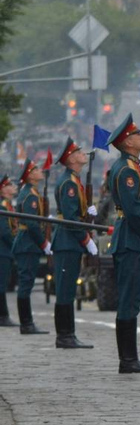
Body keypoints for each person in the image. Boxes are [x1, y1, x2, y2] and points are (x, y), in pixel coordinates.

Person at [106, 114, 140, 373]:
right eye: (136, 134)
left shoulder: (131, 166)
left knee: (132, 298)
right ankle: (128, 359)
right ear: (127, 143)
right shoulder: (126, 170)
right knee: (129, 299)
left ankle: (129, 358)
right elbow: (135, 210)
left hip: (132, 237)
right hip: (132, 239)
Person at [49, 137, 98, 349]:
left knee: (67, 289)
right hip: (68, 241)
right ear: (71, 158)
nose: (82, 153)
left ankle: (68, 334)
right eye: (78, 151)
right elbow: (70, 217)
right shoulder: (69, 182)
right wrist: (86, 239)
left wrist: (87, 212)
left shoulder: (73, 180)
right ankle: (65, 336)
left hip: (70, 241)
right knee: (65, 290)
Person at [12, 159, 50, 335]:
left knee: (26, 282)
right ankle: (26, 324)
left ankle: (26, 323)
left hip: (26, 242)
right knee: (26, 283)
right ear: (29, 175)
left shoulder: (29, 192)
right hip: (28, 243)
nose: (39, 170)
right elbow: (32, 223)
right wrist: (44, 242)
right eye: (35, 169)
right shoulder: (30, 195)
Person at [0, 174, 19, 328]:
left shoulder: (7, 205)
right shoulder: (2, 207)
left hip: (5, 250)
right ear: (3, 190)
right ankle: (3, 316)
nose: (13, 187)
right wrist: (16, 245)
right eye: (9, 185)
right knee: (1, 284)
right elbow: (5, 232)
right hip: (3, 251)